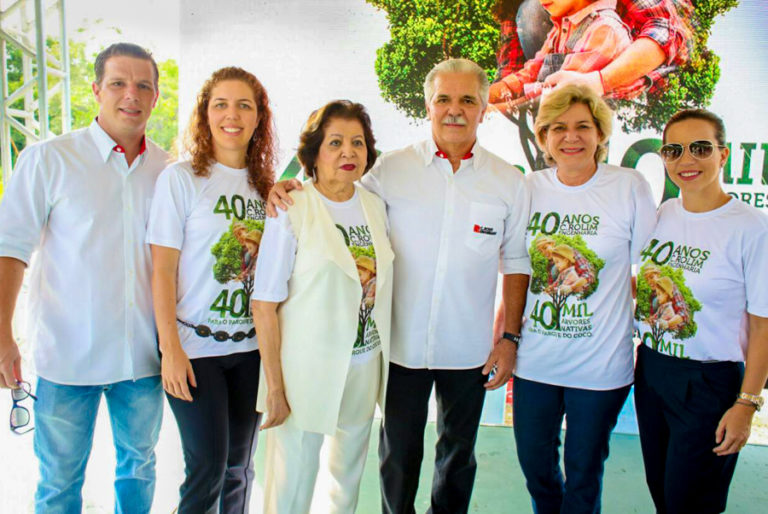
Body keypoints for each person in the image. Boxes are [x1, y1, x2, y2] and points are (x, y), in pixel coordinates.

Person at [267, 58, 531, 514]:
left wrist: (508, 338)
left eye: (467, 99)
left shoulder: (509, 182)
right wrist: (289, 187)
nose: (454, 110)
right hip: (399, 349)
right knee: (399, 456)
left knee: (458, 457)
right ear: (427, 106)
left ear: (485, 108)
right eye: (443, 99)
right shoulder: (389, 169)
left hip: (468, 350)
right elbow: (334, 189)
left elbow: (516, 261)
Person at [0, 43, 168, 513]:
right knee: (58, 484)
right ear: (96, 90)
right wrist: (2, 337)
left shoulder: (167, 171)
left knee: (139, 471)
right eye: (118, 83)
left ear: (155, 97)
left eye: (143, 85)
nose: (130, 95)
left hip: (142, 361)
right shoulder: (48, 159)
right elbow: (9, 250)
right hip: (66, 359)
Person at [513, 84, 657, 513]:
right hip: (536, 360)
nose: (570, 137)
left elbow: (648, 271)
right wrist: (506, 336)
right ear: (543, 138)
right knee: (535, 464)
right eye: (558, 128)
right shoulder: (528, 187)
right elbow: (518, 267)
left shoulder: (629, 185)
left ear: (600, 134)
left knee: (583, 470)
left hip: (600, 367)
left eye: (582, 127)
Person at [251, 100, 393, 514]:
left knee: (344, 484)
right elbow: (264, 304)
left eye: (358, 142)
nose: (349, 152)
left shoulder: (374, 207)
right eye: (335, 142)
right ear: (313, 154)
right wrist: (275, 388)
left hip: (365, 365)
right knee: (291, 485)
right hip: (303, 371)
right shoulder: (292, 207)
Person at [147, 66, 275, 513]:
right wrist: (171, 350)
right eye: (220, 104)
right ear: (205, 114)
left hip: (251, 351)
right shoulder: (181, 179)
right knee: (208, 467)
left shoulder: (266, 188)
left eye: (245, 105)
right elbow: (162, 271)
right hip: (195, 349)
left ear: (260, 117)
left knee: (239, 468)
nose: (232, 115)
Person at [634, 109, 768, 513]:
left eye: (700, 148)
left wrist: (746, 404)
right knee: (662, 492)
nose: (686, 160)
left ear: (723, 155)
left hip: (710, 384)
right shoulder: (663, 215)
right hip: (653, 371)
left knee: (691, 503)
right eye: (674, 151)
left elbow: (763, 327)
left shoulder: (751, 228)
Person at [490, 0, 694, 101]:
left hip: (619, 82)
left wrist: (599, 81)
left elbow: (666, 30)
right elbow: (519, 72)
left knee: (531, 12)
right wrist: (485, 99)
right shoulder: (555, 25)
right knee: (530, 12)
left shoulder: (605, 27)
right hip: (554, 89)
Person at [490, 0, 634, 105]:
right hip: (558, 107)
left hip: (590, 125)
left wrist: (499, 111)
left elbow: (558, 97)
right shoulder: (562, 25)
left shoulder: (603, 29)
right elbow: (532, 71)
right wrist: (486, 96)